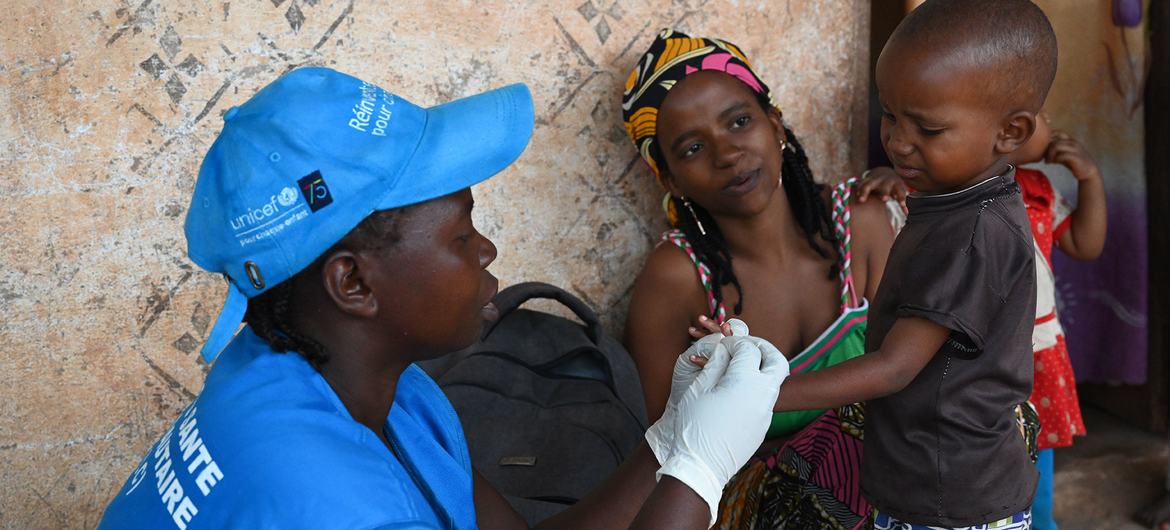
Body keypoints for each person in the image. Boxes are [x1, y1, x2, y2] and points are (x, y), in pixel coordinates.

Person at [96, 67, 789, 529]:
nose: (487, 252)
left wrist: (667, 441)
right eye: (461, 236)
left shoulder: (358, 381)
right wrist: (699, 475)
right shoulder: (324, 498)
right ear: (353, 284)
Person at [724, 0, 1058, 527]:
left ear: (1010, 133)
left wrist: (760, 397)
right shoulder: (960, 199)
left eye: (927, 130)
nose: (899, 142)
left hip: (950, 498)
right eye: (891, 116)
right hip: (928, 479)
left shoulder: (973, 235)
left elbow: (895, 367)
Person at [621, 30, 903, 529]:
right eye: (691, 149)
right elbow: (670, 459)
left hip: (891, 488)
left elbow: (915, 373)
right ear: (669, 178)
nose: (727, 153)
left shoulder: (863, 223)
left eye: (739, 121)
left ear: (775, 124)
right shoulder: (679, 278)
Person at [1008, 112, 1107, 530]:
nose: (1051, 121)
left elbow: (1085, 244)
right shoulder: (945, 191)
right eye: (1041, 112)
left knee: (1037, 461)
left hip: (1040, 347)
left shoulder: (1038, 188)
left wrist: (1090, 179)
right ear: (1010, 130)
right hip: (983, 352)